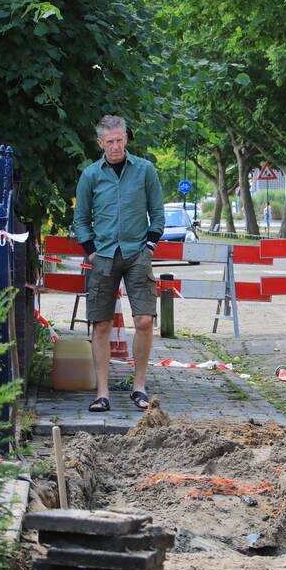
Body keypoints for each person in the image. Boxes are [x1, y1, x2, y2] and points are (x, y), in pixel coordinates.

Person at [73, 115, 164, 412]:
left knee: (144, 320)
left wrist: (149, 247)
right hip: (103, 255)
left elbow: (157, 213)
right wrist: (90, 252)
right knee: (101, 324)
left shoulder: (145, 171)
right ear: (100, 143)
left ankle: (139, 386)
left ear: (126, 139)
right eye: (109, 141)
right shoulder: (90, 175)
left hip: (137, 253)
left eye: (120, 140)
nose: (115, 146)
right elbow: (80, 219)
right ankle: (102, 392)